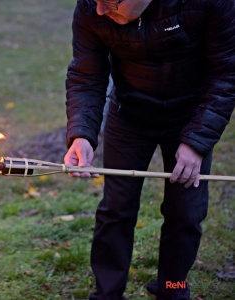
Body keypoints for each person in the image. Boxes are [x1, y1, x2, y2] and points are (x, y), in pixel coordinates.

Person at [63, 0, 235, 299]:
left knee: (186, 212)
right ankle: (107, 293)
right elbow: (86, 74)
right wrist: (82, 135)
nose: (100, 10)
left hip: (191, 114)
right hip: (128, 113)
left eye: (108, 3)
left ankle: (172, 287)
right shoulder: (93, 6)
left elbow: (227, 73)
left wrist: (196, 143)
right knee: (116, 208)